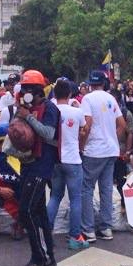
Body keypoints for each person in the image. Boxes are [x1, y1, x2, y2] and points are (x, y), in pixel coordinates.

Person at [11, 69, 60, 266]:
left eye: (30, 90)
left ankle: (39, 257)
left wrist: (28, 118)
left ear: (39, 91)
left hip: (41, 166)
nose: (27, 94)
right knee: (37, 212)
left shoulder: (49, 109)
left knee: (27, 211)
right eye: (24, 90)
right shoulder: (23, 107)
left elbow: (49, 134)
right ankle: (48, 255)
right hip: (26, 163)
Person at [80, 69, 126, 243]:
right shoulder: (111, 98)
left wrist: (82, 147)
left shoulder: (87, 99)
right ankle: (106, 228)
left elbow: (88, 125)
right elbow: (122, 125)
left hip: (93, 151)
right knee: (106, 189)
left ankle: (88, 229)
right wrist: (112, 137)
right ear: (104, 84)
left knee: (87, 188)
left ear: (90, 84)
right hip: (110, 150)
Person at [45, 79, 89, 250]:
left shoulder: (50, 109)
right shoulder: (77, 112)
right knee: (75, 198)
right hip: (73, 160)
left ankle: (47, 233)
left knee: (55, 196)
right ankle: (75, 237)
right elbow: (84, 129)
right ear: (70, 94)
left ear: (54, 93)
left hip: (55, 159)